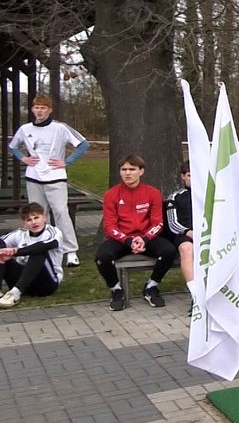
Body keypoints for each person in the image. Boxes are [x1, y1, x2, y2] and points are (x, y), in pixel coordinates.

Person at [7, 94, 90, 267]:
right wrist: (23, 158)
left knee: (61, 213)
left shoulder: (60, 128)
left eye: (43, 108)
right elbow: (12, 146)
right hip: (33, 177)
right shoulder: (25, 128)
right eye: (37, 108)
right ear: (32, 109)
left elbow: (83, 144)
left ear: (49, 110)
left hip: (55, 177)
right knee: (37, 215)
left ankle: (70, 251)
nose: (39, 111)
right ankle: (40, 249)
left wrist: (67, 161)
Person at [95, 154, 176, 311]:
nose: (127, 173)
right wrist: (127, 240)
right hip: (122, 239)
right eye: (124, 169)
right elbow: (109, 225)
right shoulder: (111, 194)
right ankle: (116, 290)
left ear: (141, 171)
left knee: (169, 251)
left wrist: (145, 239)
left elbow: (158, 223)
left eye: (132, 169)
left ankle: (151, 286)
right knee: (102, 257)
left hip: (147, 237)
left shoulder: (153, 193)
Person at [0, 202, 64, 308]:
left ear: (44, 218)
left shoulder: (53, 232)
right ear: (24, 223)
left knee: (38, 252)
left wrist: (15, 251)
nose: (34, 222)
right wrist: (4, 252)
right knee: (2, 254)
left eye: (36, 217)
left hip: (46, 284)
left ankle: (14, 294)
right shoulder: (20, 233)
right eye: (29, 220)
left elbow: (45, 245)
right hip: (21, 281)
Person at [165, 160, 195, 281]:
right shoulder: (175, 197)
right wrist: (189, 232)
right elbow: (172, 223)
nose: (193, 179)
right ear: (183, 176)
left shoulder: (211, 196)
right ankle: (195, 291)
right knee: (186, 248)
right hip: (184, 234)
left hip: (208, 233)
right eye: (189, 175)